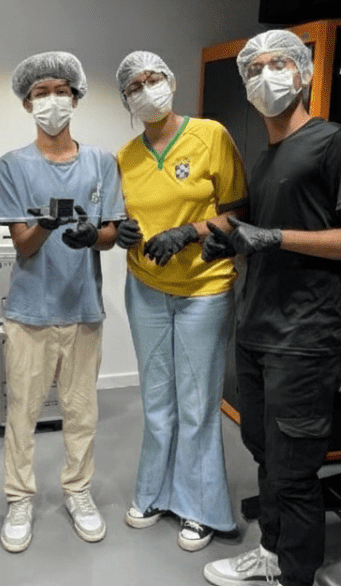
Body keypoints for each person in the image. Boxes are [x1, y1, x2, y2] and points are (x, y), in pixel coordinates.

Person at [199, 29, 341, 586]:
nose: (265, 75)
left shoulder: (330, 142)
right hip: (258, 328)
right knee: (262, 450)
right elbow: (260, 224)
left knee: (295, 466)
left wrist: (276, 238)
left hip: (304, 335)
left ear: (304, 73)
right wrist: (215, 233)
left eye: (278, 63)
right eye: (253, 68)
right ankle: (272, 553)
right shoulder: (266, 155)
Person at [113, 50, 247, 552]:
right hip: (145, 286)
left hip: (204, 289)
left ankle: (200, 506)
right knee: (156, 400)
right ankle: (154, 492)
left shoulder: (210, 134)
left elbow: (237, 213)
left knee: (197, 402)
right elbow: (114, 222)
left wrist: (189, 232)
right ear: (126, 98)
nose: (147, 90)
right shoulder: (125, 157)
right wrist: (119, 232)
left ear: (170, 80)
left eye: (154, 79)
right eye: (135, 86)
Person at [0, 51, 125, 553]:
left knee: (81, 410)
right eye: (40, 93)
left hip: (84, 307)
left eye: (60, 91)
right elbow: (22, 244)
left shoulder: (100, 162)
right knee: (23, 411)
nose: (51, 100)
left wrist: (92, 234)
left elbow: (111, 233)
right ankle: (20, 498)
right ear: (27, 104)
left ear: (76, 96)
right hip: (30, 311)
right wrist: (46, 225)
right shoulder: (12, 166)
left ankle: (78, 491)